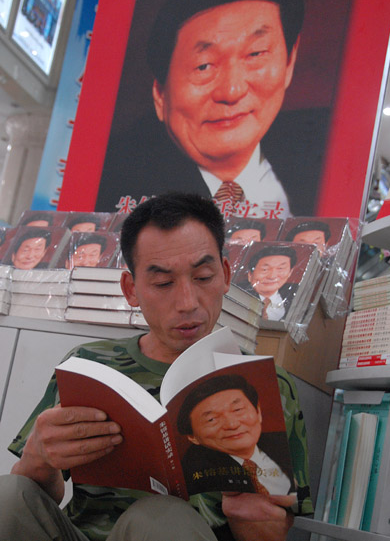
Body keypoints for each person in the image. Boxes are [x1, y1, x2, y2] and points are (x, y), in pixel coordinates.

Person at [1, 193, 312, 541]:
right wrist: (39, 456)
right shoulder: (89, 365)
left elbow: (275, 528)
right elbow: (30, 497)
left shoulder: (267, 385)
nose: (187, 302)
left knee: (160, 518)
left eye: (204, 277)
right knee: (7, 495)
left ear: (225, 274)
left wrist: (250, 519)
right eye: (163, 283)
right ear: (131, 289)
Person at [96, 0, 330, 217]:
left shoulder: (325, 147)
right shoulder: (110, 183)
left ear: (289, 61)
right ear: (160, 94)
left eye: (256, 54)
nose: (232, 91)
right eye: (204, 66)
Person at [177, 374, 293, 495]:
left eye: (238, 409)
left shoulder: (282, 442)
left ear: (258, 411)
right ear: (192, 437)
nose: (232, 424)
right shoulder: (193, 469)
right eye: (211, 419)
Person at [241, 245, 297, 320]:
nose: (272, 276)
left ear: (290, 272)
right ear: (250, 274)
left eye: (280, 268)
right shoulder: (238, 294)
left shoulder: (296, 294)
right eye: (265, 269)